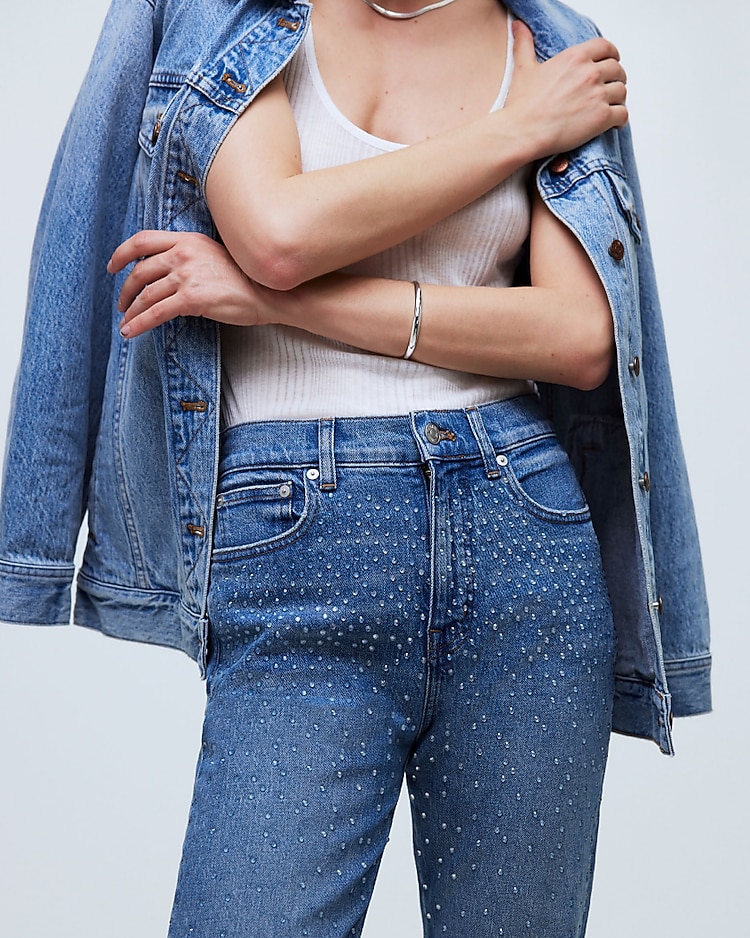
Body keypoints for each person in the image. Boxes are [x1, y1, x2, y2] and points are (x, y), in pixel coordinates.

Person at [0, 0, 711, 936]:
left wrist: (279, 306)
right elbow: (279, 235)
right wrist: (521, 131)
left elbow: (578, 337)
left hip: (525, 538)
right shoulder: (226, 20)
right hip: (297, 542)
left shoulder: (552, 46)